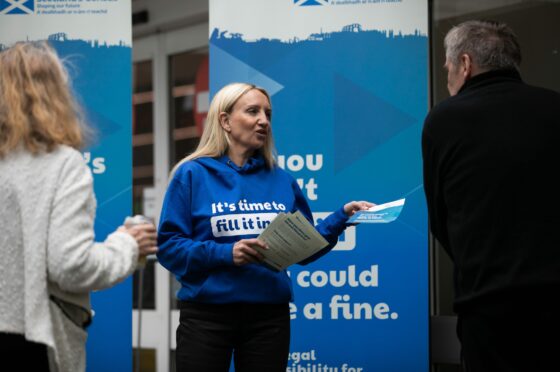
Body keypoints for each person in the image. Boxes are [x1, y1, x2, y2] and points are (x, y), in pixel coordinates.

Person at [157, 82, 372, 371]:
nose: (264, 121)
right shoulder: (192, 174)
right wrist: (226, 253)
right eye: (253, 111)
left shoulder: (281, 179)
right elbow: (169, 247)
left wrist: (341, 217)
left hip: (269, 318)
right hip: (207, 317)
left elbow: (305, 249)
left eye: (268, 113)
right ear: (225, 121)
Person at [0, 41, 158, 372]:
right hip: (31, 340)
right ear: (55, 93)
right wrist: (128, 244)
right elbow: (70, 266)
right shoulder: (61, 164)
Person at [422, 20, 560, 372]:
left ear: (465, 65)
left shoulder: (444, 119)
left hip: (487, 303)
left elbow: (440, 218)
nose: (448, 77)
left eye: (448, 69)